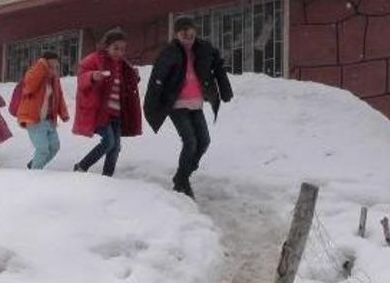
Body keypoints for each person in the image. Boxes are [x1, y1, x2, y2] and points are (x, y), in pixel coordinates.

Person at [143, 16, 233, 198]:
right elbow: (156, 79)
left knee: (204, 141)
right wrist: (152, 105)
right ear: (177, 35)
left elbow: (218, 67)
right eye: (184, 35)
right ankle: (182, 183)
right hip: (176, 105)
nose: (188, 38)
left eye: (191, 34)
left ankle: (182, 176)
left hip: (196, 104)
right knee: (190, 142)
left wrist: (224, 90)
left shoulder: (204, 49)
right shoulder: (169, 52)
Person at [73, 28, 142, 176]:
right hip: (99, 112)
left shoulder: (123, 65)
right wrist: (92, 76)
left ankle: (107, 177)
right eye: (115, 48)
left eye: (122, 49)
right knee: (109, 142)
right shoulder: (95, 59)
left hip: (116, 114)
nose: (119, 52)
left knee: (115, 147)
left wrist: (134, 77)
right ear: (106, 46)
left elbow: (126, 85)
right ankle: (81, 166)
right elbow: (82, 77)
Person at [16, 52, 70, 170]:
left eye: (56, 67)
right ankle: (35, 173)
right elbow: (29, 86)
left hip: (49, 121)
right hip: (34, 120)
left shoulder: (54, 80)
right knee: (42, 149)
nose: (53, 69)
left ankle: (34, 165)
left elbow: (59, 97)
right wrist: (42, 67)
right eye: (50, 66)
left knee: (54, 147)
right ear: (43, 64)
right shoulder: (34, 73)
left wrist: (64, 113)